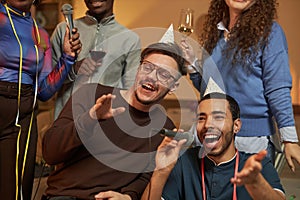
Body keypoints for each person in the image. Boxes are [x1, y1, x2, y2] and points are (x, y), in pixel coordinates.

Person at [42, 42, 187, 200]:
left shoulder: (164, 127)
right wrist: (90, 119)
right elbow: (50, 153)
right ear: (138, 69)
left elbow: (146, 177)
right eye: (147, 67)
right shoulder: (91, 94)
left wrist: (128, 197)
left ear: (173, 86)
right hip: (65, 196)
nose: (151, 77)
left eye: (164, 74)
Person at [181, 0, 300, 171]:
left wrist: (289, 140)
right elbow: (210, 91)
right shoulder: (215, 34)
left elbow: (277, 89)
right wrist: (192, 65)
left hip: (251, 141)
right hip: (212, 137)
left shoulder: (270, 33)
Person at [0, 0, 81, 199]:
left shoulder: (41, 34)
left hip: (23, 113)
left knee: (15, 189)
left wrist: (68, 58)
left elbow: (44, 91)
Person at [141, 92, 285, 200]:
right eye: (201, 118)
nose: (208, 125)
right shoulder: (183, 162)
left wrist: (256, 183)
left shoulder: (257, 165)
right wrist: (162, 170)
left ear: (236, 126)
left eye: (218, 117)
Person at [51, 0, 141, 119]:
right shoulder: (63, 30)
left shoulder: (130, 39)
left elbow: (129, 92)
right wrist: (72, 69)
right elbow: (47, 82)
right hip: (66, 120)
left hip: (105, 124)